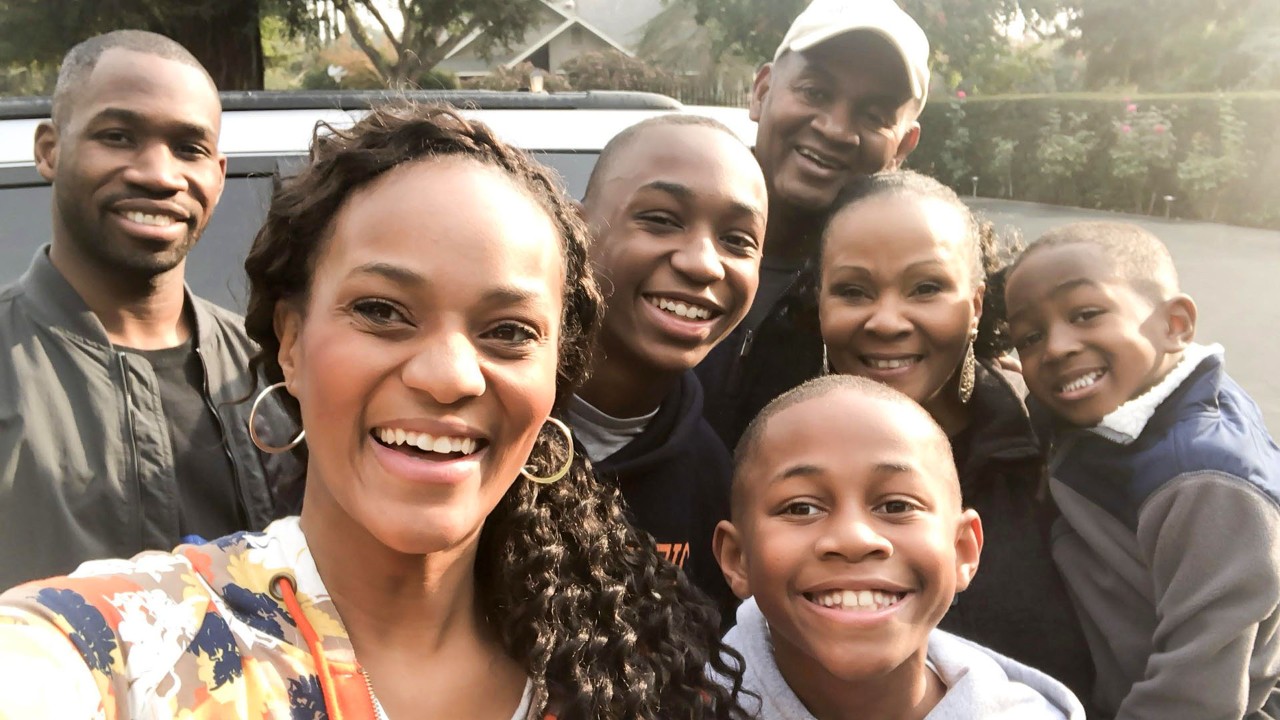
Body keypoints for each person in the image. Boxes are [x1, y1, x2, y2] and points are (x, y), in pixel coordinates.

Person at [0, 104, 743, 719]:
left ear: (555, 374)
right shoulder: (146, 646)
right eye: (383, 311)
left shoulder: (625, 668)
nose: (449, 377)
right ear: (292, 341)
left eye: (509, 332)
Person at [0, 30, 295, 590]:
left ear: (219, 175)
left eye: (189, 149)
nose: (159, 175)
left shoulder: (275, 370)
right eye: (117, 137)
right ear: (49, 150)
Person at [816, 170, 1093, 699]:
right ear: (821, 303)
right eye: (853, 291)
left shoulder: (1057, 446)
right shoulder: (770, 455)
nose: (887, 321)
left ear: (976, 306)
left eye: (926, 288)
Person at [1004, 221, 1280, 719]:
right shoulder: (1139, 396)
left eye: (1086, 314)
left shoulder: (1204, 484)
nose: (1056, 348)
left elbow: (1196, 696)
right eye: (1030, 337)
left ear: (1175, 325)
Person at [712, 374, 1086, 719]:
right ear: (737, 559)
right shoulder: (684, 703)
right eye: (801, 508)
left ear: (962, 550)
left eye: (896, 506)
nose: (855, 539)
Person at [697, 0, 930, 447]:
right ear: (762, 91)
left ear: (904, 145)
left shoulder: (904, 309)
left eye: (874, 116)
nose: (836, 129)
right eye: (815, 92)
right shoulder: (660, 247)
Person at [570, 114, 767, 617]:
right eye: (660, 219)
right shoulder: (486, 421)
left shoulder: (714, 484)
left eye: (738, 240)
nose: (703, 263)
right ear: (574, 229)